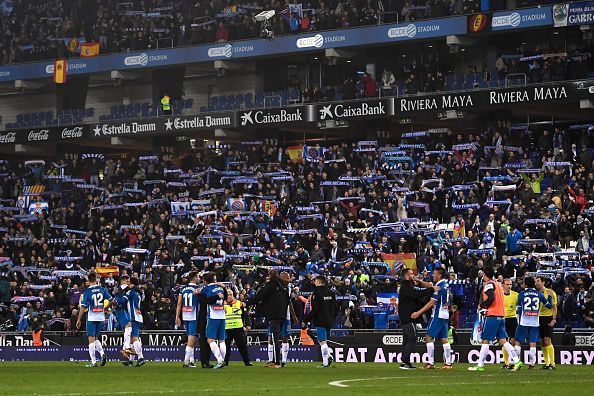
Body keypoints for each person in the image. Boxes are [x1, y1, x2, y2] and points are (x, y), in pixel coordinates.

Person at [468, 266, 522, 372]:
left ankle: (480, 365)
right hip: (501, 316)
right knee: (503, 340)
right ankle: (517, 361)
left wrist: (482, 305)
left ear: (484, 275)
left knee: (485, 340)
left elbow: (491, 297)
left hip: (493, 315)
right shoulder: (498, 284)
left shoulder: (489, 284)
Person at [247, 269, 290, 368]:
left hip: (274, 315)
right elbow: (288, 300)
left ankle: (277, 362)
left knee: (275, 338)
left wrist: (247, 303)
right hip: (283, 316)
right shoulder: (283, 286)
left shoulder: (271, 285)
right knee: (277, 338)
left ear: (270, 276)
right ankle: (275, 361)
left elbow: (259, 296)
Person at [412, 267, 453, 369]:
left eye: (434, 274)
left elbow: (431, 303)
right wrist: (419, 281)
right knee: (444, 339)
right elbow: (430, 285)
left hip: (437, 314)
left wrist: (418, 312)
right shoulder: (445, 284)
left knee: (428, 337)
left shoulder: (439, 287)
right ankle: (448, 364)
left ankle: (430, 363)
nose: (433, 275)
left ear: (439, 275)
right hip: (445, 314)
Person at [398, 267, 437, 370]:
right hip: (407, 316)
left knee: (407, 339)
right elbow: (416, 294)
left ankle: (404, 362)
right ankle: (406, 362)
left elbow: (418, 298)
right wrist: (432, 289)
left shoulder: (409, 285)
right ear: (406, 276)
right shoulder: (405, 285)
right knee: (412, 337)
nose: (413, 276)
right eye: (411, 274)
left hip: (407, 316)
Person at [514, 277, 552, 369]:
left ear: (525, 284)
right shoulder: (539, 294)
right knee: (533, 342)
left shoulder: (521, 294)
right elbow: (549, 306)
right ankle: (531, 364)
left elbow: (518, 309)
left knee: (518, 342)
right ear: (533, 284)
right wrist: (550, 296)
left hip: (523, 322)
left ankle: (516, 362)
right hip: (535, 322)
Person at [77, 273, 113, 368]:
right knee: (95, 338)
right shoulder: (102, 289)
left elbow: (83, 306)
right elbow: (111, 300)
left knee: (91, 339)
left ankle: (93, 362)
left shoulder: (87, 291)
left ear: (88, 281)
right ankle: (102, 354)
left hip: (92, 317)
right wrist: (105, 309)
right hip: (101, 317)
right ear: (96, 280)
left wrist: (79, 319)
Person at [175, 271, 201, 368]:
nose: (199, 278)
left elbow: (179, 303)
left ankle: (191, 360)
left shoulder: (183, 288)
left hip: (185, 314)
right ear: (194, 277)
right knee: (192, 337)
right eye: (198, 276)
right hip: (193, 315)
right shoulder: (198, 289)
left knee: (191, 337)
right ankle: (186, 361)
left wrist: (177, 316)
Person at [202, 272, 227, 369]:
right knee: (222, 340)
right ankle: (223, 361)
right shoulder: (220, 287)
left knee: (210, 339)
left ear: (205, 281)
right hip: (222, 316)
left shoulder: (206, 288)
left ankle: (220, 361)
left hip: (213, 317)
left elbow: (206, 301)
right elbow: (224, 296)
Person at [310, 275, 336, 368]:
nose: (314, 282)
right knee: (323, 341)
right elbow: (335, 308)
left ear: (319, 282)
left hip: (320, 320)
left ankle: (325, 363)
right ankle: (329, 356)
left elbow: (315, 308)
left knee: (322, 341)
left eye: (315, 280)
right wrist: (332, 318)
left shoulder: (317, 293)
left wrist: (308, 319)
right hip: (329, 320)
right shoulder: (331, 293)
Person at [224, 289, 252, 366]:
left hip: (238, 328)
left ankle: (247, 362)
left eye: (231, 294)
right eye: (228, 295)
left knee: (242, 346)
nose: (229, 296)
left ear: (233, 295)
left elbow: (246, 315)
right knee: (226, 347)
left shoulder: (239, 304)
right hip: (226, 328)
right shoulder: (222, 304)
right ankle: (225, 362)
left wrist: (248, 325)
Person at [536, 276, 558, 370]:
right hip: (538, 318)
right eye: (536, 281)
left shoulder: (550, 292)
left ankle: (552, 363)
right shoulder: (536, 293)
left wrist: (553, 319)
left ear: (543, 282)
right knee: (542, 342)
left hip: (548, 318)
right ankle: (546, 362)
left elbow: (554, 307)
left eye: (538, 281)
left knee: (547, 340)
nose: (536, 283)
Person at [113, 275, 135, 365]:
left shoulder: (118, 289)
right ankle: (126, 347)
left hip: (123, 311)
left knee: (130, 332)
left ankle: (127, 357)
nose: (129, 282)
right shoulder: (123, 287)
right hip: (122, 310)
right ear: (123, 281)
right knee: (128, 326)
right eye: (127, 280)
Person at [127, 277, 146, 366]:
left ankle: (141, 357)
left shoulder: (132, 292)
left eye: (128, 283)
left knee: (134, 338)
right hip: (138, 315)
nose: (127, 285)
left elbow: (122, 300)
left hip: (133, 316)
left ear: (132, 284)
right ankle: (130, 361)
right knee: (132, 340)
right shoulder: (138, 294)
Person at [502, 278, 519, 369]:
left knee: (513, 341)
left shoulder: (516, 295)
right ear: (503, 285)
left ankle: (514, 361)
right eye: (507, 284)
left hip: (512, 319)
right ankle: (506, 363)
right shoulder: (499, 295)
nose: (509, 286)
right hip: (503, 319)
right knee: (504, 341)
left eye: (510, 285)